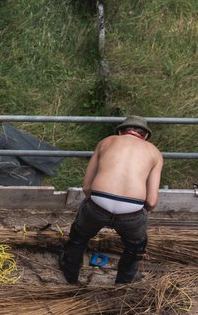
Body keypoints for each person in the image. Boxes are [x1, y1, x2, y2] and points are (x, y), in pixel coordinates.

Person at [59, 116, 163, 285]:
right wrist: (133, 215)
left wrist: (99, 208)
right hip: (132, 211)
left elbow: (86, 187)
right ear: (144, 136)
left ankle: (70, 271)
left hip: (98, 204)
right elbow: (151, 201)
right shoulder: (154, 152)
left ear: (121, 132)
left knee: (79, 237)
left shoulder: (106, 142)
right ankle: (124, 283)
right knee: (135, 247)